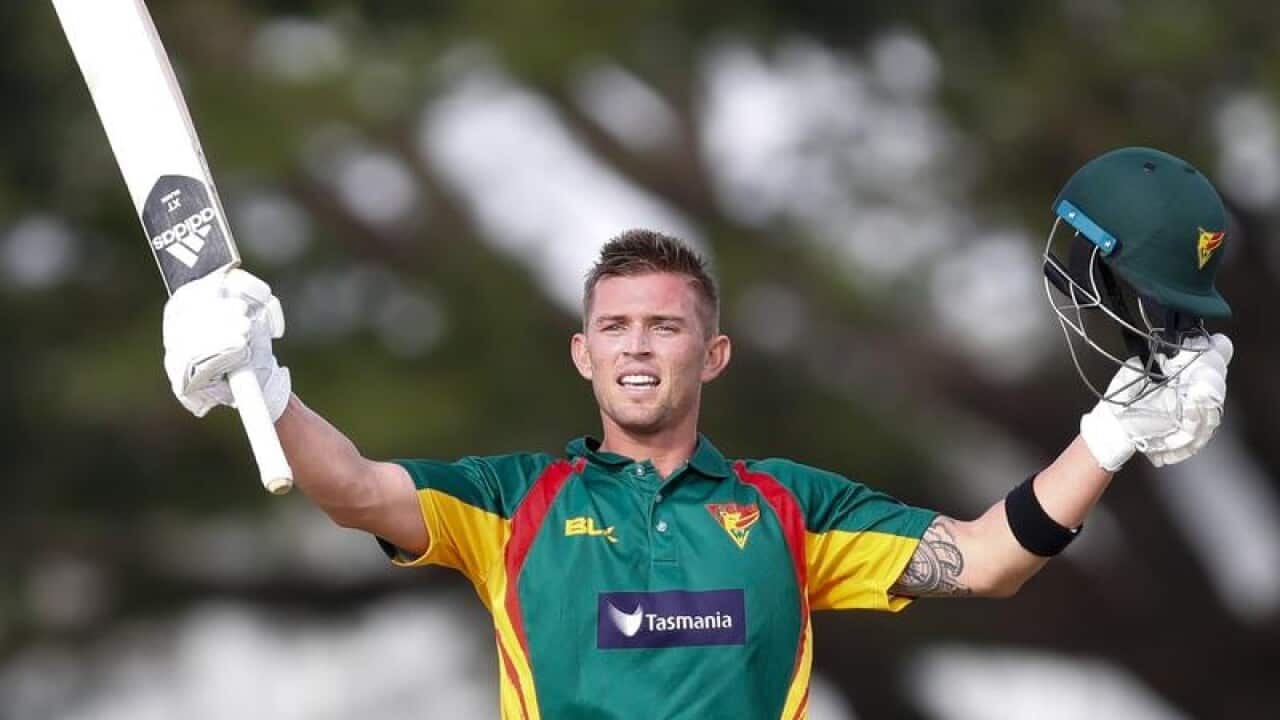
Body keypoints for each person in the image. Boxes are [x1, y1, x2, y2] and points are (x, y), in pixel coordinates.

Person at [160, 146, 1233, 719]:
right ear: (581, 355)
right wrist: (264, 380)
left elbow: (987, 559)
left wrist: (1111, 429)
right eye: (613, 326)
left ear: (709, 356)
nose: (637, 346)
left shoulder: (787, 509)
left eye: (664, 326)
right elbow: (351, 488)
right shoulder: (509, 503)